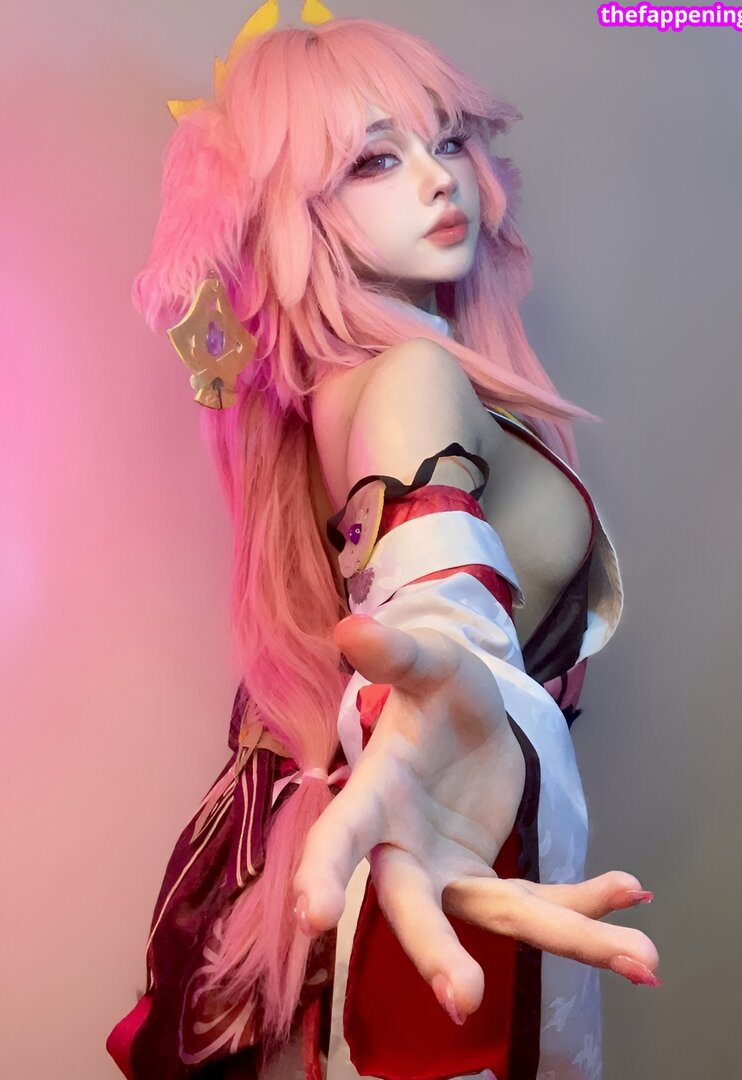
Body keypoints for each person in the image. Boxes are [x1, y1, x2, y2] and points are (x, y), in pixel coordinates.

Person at [108, 12, 659, 1080]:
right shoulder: (412, 379)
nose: (440, 178)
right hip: (430, 861)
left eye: (445, 140)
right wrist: (444, 691)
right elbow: (431, 604)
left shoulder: (353, 385)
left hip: (427, 850)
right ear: (295, 214)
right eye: (374, 160)